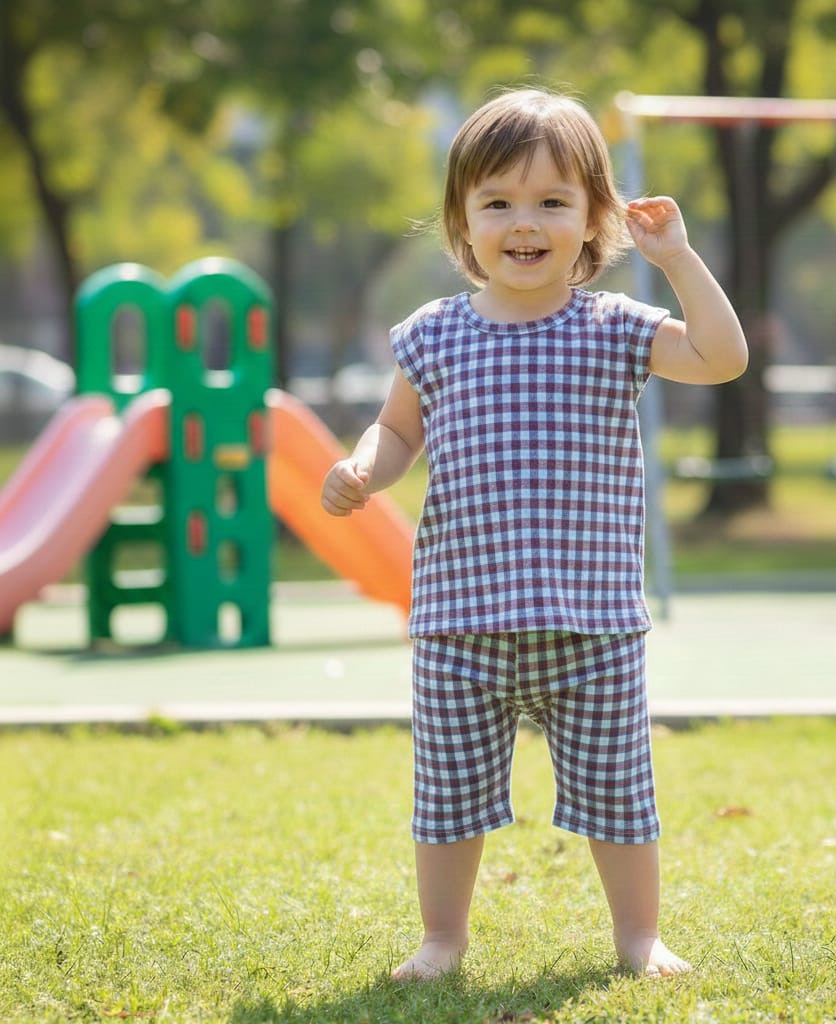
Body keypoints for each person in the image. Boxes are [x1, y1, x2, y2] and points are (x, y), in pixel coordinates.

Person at [321, 87, 747, 981]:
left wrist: (676, 259)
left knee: (618, 793)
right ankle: (442, 938)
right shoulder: (432, 336)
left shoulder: (615, 329)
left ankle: (638, 937)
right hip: (460, 621)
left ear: (595, 218)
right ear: (462, 220)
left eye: (553, 201)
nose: (524, 222)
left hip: (592, 622)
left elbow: (721, 357)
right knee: (449, 798)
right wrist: (364, 465)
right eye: (498, 202)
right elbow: (397, 430)